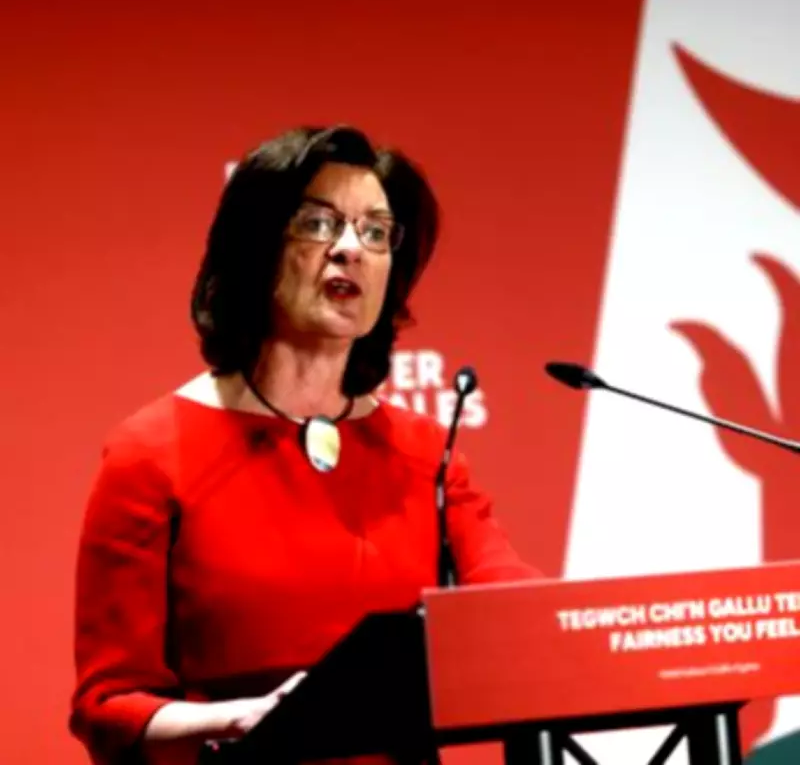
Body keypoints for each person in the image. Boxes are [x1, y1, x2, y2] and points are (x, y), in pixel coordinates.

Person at [69, 125, 541, 765]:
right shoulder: (152, 451)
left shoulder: (426, 452)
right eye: (318, 224)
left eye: (376, 232)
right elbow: (109, 703)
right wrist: (244, 718)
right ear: (257, 250)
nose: (350, 249)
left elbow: (512, 604)